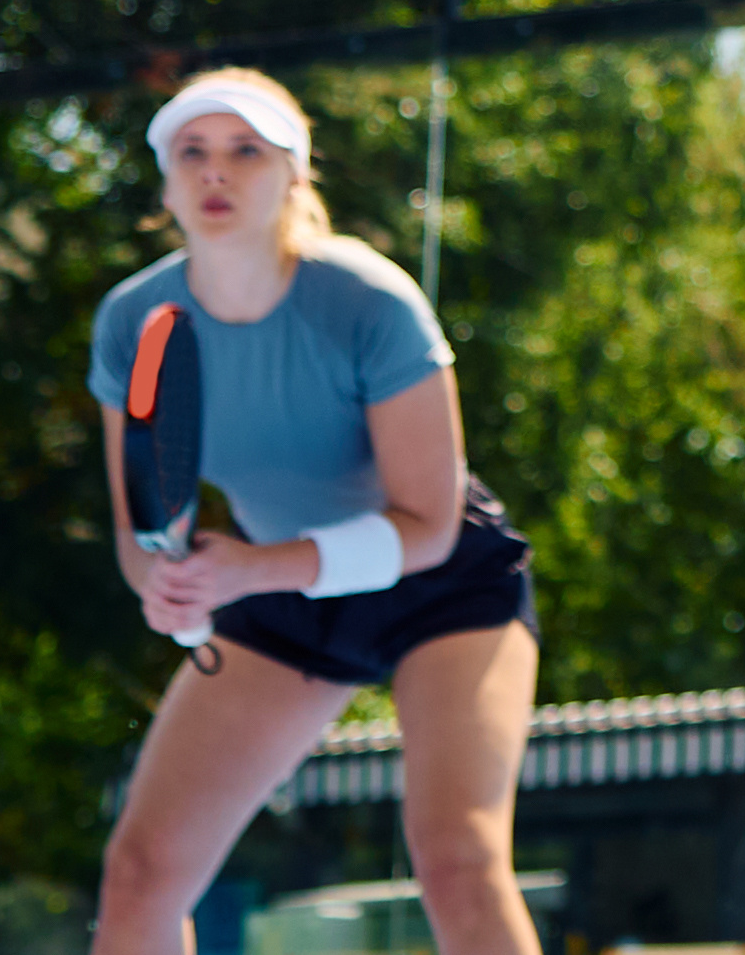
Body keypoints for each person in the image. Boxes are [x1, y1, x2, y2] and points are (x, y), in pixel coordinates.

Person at [83, 68, 539, 955]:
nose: (217, 171)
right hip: (274, 588)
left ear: (295, 174)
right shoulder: (134, 319)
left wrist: (249, 570)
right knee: (141, 872)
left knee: (457, 861)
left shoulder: (370, 301)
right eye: (193, 152)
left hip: (444, 584)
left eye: (246, 150)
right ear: (166, 185)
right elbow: (143, 531)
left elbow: (428, 527)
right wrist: (165, 588)